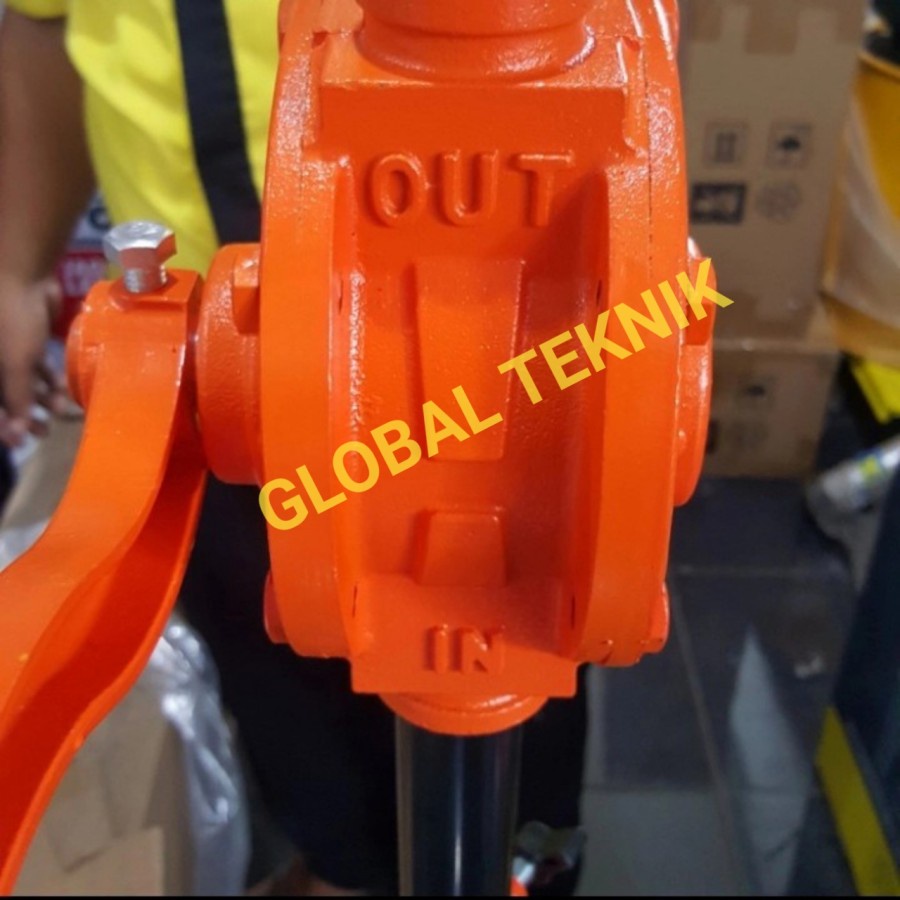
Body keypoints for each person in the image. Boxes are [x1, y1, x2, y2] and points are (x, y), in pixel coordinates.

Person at [0, 2, 587, 894]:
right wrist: (15, 265)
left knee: (525, 773)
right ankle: (344, 866)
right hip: (235, 397)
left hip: (532, 388)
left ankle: (518, 856)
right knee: (300, 716)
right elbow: (41, 28)